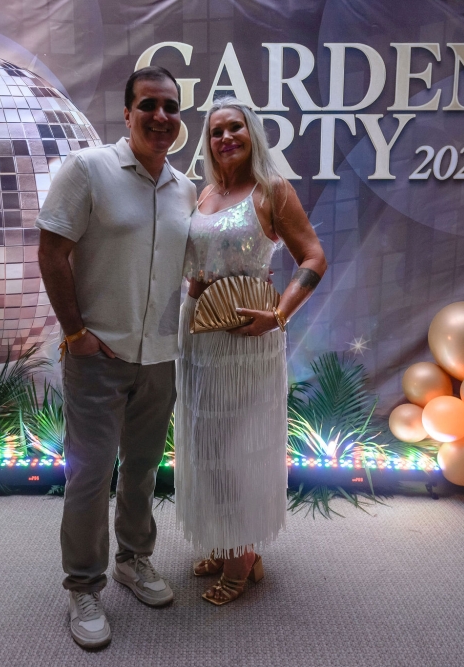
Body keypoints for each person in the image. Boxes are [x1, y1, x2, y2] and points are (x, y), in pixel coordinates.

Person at [36, 66, 196, 649]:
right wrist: (75, 333)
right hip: (97, 354)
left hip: (159, 357)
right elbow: (51, 252)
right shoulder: (89, 169)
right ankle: (83, 586)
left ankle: (133, 559)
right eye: (148, 104)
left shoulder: (185, 189)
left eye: (170, 106)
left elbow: (185, 272)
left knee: (143, 469)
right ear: (127, 113)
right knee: (90, 475)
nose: (160, 116)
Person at [176, 97, 327, 605]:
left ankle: (240, 562)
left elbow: (314, 257)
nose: (226, 138)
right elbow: (197, 265)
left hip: (248, 339)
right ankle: (228, 545)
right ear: (208, 141)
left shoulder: (271, 190)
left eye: (235, 127)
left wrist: (279, 316)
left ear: (252, 132)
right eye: (216, 131)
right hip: (200, 334)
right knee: (206, 444)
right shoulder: (203, 194)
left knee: (236, 448)